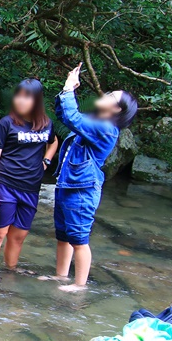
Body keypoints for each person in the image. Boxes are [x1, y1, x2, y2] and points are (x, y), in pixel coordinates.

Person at [48, 63, 138, 291]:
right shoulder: (95, 123)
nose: (105, 95)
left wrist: (69, 89)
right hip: (67, 185)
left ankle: (80, 285)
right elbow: (64, 115)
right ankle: (61, 276)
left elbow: (71, 117)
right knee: (63, 234)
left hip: (82, 189)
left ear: (118, 109)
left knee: (78, 237)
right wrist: (68, 90)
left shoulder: (106, 129)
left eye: (111, 96)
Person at [0, 78, 58, 282]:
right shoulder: (6, 124)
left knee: (19, 235)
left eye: (27, 97)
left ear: (37, 100)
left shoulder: (46, 124)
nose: (20, 100)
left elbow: (54, 141)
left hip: (31, 188)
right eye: (18, 95)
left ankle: (11, 269)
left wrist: (46, 161)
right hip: (5, 185)